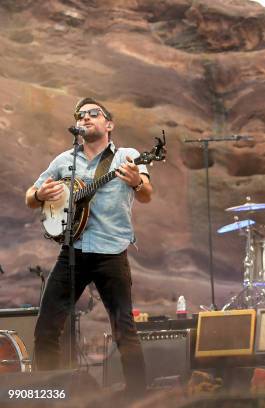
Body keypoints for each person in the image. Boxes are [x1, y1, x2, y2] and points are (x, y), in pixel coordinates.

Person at [25, 97, 152, 394]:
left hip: (111, 252)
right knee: (46, 328)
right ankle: (47, 394)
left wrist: (136, 181)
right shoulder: (63, 161)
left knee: (124, 329)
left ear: (109, 124)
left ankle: (138, 397)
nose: (85, 118)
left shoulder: (128, 156)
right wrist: (40, 194)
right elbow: (30, 197)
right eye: (80, 115)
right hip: (73, 251)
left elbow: (146, 194)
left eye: (94, 114)